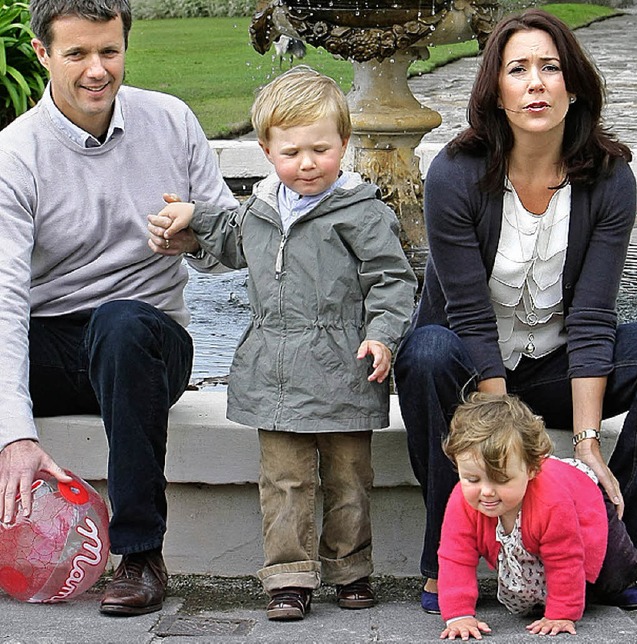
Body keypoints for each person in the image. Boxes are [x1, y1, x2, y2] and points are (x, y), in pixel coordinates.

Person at [147, 66, 418, 621]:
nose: (308, 163)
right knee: (285, 480)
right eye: (291, 151)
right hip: (276, 371)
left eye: (321, 148)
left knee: (348, 479)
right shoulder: (263, 210)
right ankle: (289, 576)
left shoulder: (361, 213)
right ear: (266, 151)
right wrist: (190, 222)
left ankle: (350, 568)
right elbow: (227, 238)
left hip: (345, 366)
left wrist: (382, 335)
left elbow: (393, 279)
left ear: (344, 144)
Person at [393, 8, 637, 614]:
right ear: (495, 92)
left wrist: (586, 442)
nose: (536, 83)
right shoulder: (455, 173)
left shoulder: (610, 178)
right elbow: (469, 317)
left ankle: (619, 544)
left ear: (573, 85)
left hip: (555, 366)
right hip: (468, 370)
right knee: (425, 352)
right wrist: (509, 438)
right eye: (518, 69)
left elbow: (592, 315)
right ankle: (441, 561)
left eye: (550, 68)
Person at [0, 0, 238, 616]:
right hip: (55, 342)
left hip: (149, 343)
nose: (97, 70)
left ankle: (139, 554)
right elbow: (5, 302)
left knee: (120, 321)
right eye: (76, 53)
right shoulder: (15, 154)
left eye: (110, 51)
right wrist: (16, 436)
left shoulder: (171, 120)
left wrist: (196, 237)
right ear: (43, 53)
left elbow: (232, 249)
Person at [438, 393, 637, 639]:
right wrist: (458, 615)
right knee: (531, 593)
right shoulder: (462, 500)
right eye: (472, 479)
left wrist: (561, 613)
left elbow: (565, 557)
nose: (486, 491)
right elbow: (455, 557)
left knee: (610, 571)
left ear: (533, 469)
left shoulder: (551, 500)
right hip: (530, 526)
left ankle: (624, 581)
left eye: (501, 479)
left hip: (586, 502)